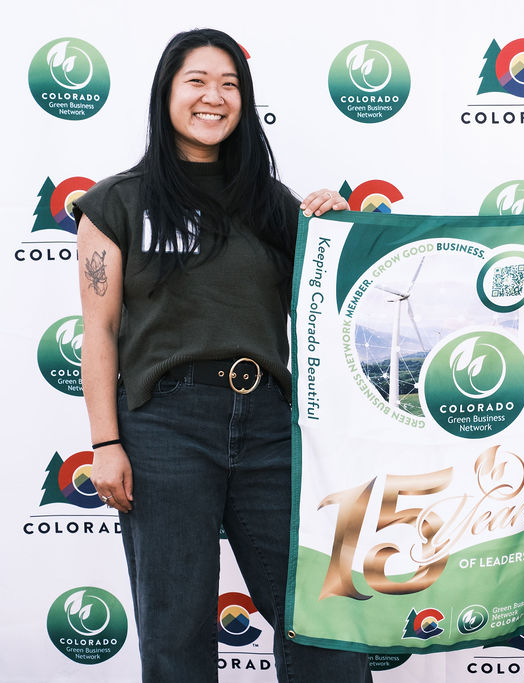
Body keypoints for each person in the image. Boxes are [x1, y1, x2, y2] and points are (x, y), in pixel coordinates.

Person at [74, 28, 371, 682]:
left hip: (271, 424)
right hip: (165, 428)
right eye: (198, 81)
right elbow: (99, 330)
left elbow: (336, 310)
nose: (215, 97)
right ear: (167, 93)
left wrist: (335, 230)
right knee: (176, 626)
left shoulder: (273, 203)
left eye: (230, 84)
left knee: (322, 611)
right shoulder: (116, 202)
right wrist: (105, 442)